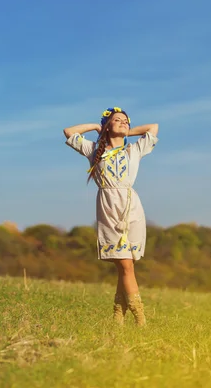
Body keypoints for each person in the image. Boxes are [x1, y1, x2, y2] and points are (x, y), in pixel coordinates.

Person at [63, 107, 159, 326]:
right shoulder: (94, 149)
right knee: (125, 266)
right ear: (107, 125)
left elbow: (153, 128)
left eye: (126, 120)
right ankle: (140, 319)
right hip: (109, 208)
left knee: (127, 266)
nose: (124, 122)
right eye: (118, 120)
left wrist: (126, 131)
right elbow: (69, 131)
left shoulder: (134, 150)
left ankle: (118, 316)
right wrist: (98, 127)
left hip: (132, 207)